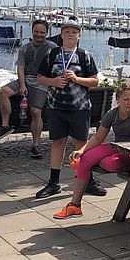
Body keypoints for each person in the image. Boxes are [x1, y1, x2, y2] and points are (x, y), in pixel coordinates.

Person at [53, 82, 130, 220]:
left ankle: (94, 170)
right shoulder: (112, 113)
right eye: (126, 99)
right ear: (118, 100)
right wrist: (81, 150)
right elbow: (98, 137)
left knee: (111, 164)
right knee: (85, 159)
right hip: (117, 146)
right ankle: (74, 205)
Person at [34, 20, 101, 199]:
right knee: (58, 143)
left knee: (81, 144)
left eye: (74, 32)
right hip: (57, 107)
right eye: (67, 31)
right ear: (61, 35)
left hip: (79, 108)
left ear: (79, 36)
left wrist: (78, 79)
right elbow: (40, 78)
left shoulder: (84, 55)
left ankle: (88, 180)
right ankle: (54, 182)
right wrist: (53, 81)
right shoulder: (51, 54)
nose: (70, 34)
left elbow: (95, 81)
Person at [0, 19, 58, 158]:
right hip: (26, 79)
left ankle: (36, 145)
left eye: (42, 32)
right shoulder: (24, 48)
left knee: (35, 111)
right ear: (32, 32)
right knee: (4, 91)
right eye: (36, 32)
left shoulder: (52, 47)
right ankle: (5, 126)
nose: (39, 35)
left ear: (47, 33)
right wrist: (22, 84)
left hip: (41, 82)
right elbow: (20, 67)